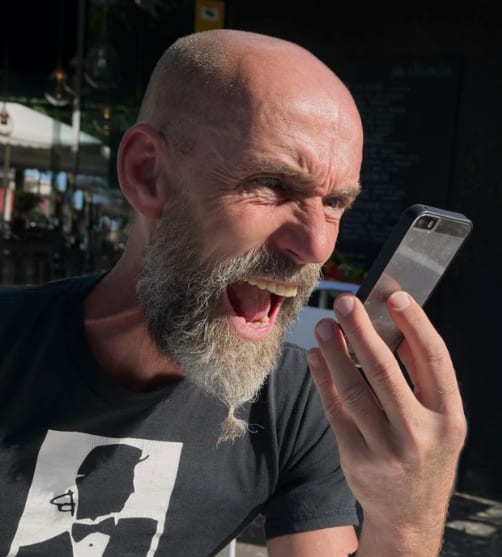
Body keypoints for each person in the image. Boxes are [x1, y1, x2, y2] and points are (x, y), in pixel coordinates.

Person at [0, 29, 466, 556]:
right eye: (272, 185)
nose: (316, 246)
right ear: (147, 174)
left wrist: (406, 521)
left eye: (335, 203)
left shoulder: (295, 404)